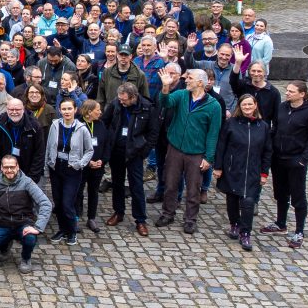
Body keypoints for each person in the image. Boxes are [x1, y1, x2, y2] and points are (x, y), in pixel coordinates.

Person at [155, 68, 223, 235]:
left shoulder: (213, 106)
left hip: (196, 153)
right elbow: (164, 102)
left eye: (190, 78)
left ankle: (190, 220)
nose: (186, 80)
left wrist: (209, 157)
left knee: (193, 189)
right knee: (170, 184)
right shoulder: (181, 95)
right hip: (175, 148)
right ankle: (167, 213)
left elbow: (213, 134)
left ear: (200, 82)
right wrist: (165, 87)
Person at [260, 80, 308, 249]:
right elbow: (275, 128)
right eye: (287, 91)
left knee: (298, 196)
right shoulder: (282, 107)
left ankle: (299, 230)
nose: (287, 93)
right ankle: (281, 223)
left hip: (296, 161)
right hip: (279, 158)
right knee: (280, 192)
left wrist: (303, 160)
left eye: (291, 91)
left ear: (302, 94)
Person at [214, 94, 272, 252]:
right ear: (240, 106)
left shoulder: (263, 126)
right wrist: (218, 167)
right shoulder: (231, 124)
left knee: (248, 202)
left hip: (253, 170)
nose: (247, 107)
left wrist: (264, 173)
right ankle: (234, 224)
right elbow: (221, 146)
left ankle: (246, 232)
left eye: (250, 104)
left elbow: (267, 151)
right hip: (233, 168)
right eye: (244, 105)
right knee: (232, 200)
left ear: (255, 106)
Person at [0, 155, 53, 274]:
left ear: (17, 167)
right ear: (1, 168)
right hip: (4, 224)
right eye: (6, 167)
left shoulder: (27, 183)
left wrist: (38, 227)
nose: (9, 170)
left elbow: (46, 204)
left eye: (12, 167)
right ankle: (5, 246)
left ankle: (26, 258)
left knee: (29, 238)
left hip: (23, 224)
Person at [100, 82, 158, 236]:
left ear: (133, 97)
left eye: (124, 100)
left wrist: (144, 151)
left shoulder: (147, 107)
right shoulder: (115, 104)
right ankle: (118, 212)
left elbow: (153, 133)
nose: (121, 102)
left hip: (135, 153)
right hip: (117, 151)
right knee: (117, 183)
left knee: (136, 186)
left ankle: (140, 219)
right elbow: (105, 123)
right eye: (120, 99)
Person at [45, 98, 93, 245]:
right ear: (60, 110)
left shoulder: (82, 128)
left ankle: (71, 230)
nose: (66, 112)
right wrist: (48, 163)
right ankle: (62, 229)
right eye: (64, 109)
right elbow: (49, 146)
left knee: (67, 203)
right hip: (56, 168)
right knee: (58, 202)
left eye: (69, 109)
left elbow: (89, 150)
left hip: (72, 170)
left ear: (75, 110)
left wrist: (80, 164)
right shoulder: (55, 125)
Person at [0, 98, 46, 185]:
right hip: (4, 172)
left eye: (17, 109)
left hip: (27, 173)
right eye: (11, 109)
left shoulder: (34, 126)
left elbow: (39, 153)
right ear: (7, 109)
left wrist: (31, 178)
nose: (14, 112)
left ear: (23, 109)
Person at [76, 99, 110, 233]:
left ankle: (91, 218)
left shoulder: (100, 125)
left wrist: (102, 160)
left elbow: (107, 144)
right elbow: (75, 147)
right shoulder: (78, 125)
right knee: (78, 192)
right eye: (98, 110)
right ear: (89, 112)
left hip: (98, 167)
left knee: (93, 192)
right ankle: (76, 217)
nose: (100, 112)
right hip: (82, 166)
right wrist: (87, 162)